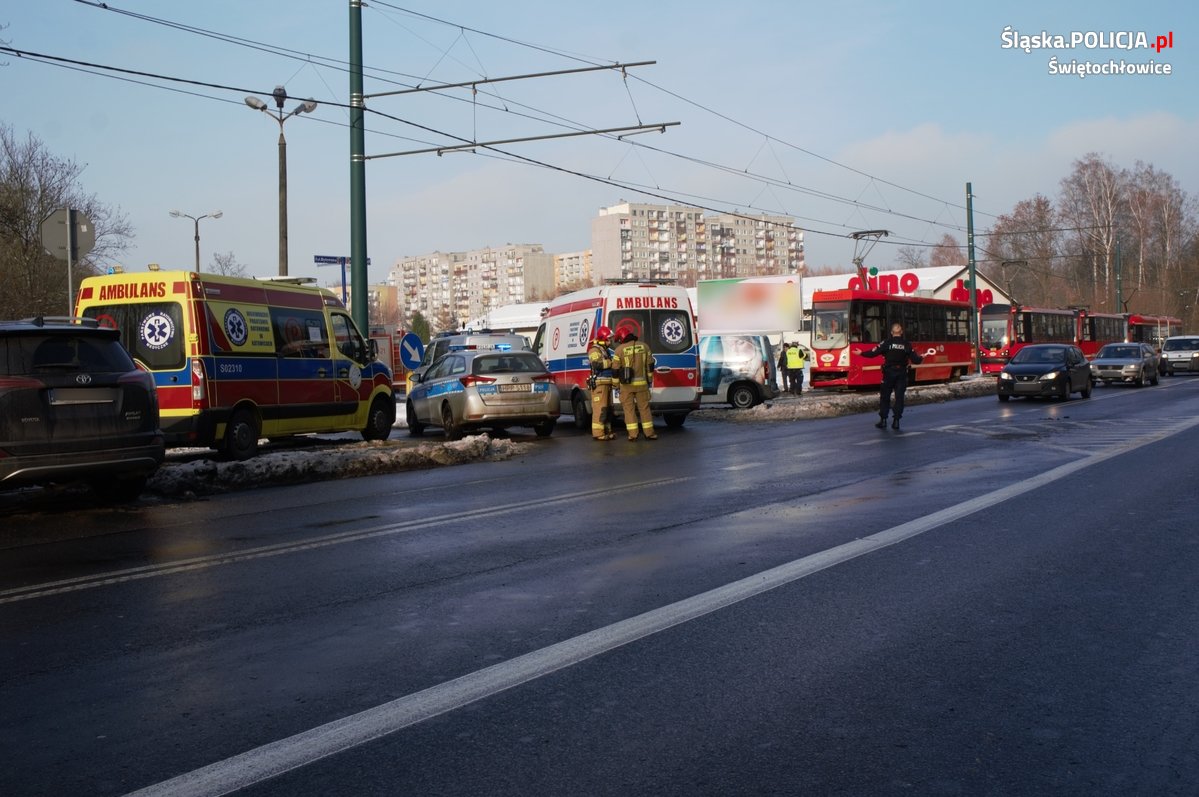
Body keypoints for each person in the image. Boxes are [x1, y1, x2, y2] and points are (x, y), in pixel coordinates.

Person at [862, 322, 923, 430]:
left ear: (891, 332)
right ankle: (896, 421)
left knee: (885, 396)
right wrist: (921, 357)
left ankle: (884, 420)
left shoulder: (887, 342)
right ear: (902, 332)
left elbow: (873, 353)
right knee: (899, 397)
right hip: (902, 374)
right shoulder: (906, 344)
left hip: (889, 373)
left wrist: (861, 353)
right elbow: (916, 360)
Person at [612, 328, 657, 441]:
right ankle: (649, 433)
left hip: (626, 386)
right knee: (645, 409)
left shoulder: (619, 350)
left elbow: (615, 371)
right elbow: (650, 365)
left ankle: (633, 435)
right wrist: (649, 379)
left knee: (629, 410)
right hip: (642, 385)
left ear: (622, 338)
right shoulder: (645, 346)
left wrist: (616, 386)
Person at [586, 325, 617, 441]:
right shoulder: (594, 350)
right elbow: (596, 364)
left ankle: (607, 431)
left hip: (607, 383)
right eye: (609, 339)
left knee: (608, 410)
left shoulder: (605, 350)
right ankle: (598, 433)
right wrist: (611, 363)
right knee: (601, 409)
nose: (610, 341)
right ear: (603, 339)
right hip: (600, 384)